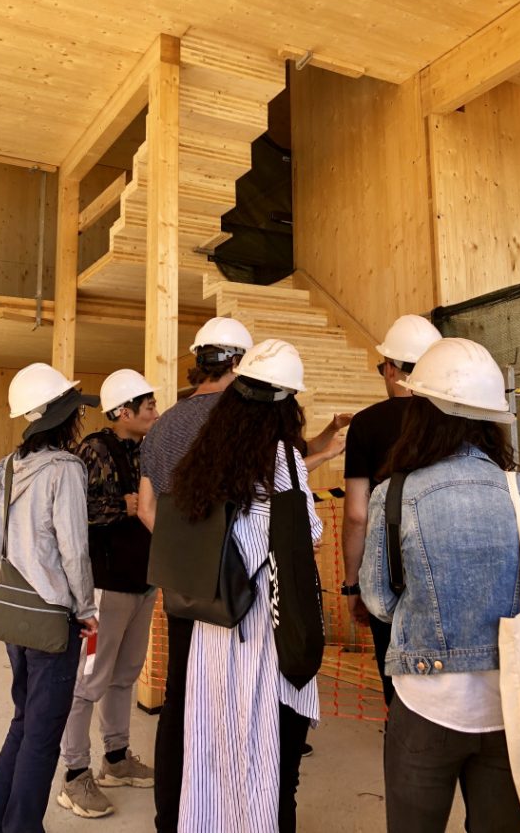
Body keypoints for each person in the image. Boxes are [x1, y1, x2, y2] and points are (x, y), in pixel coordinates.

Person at [359, 338, 520, 833]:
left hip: (425, 702)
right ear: (490, 419)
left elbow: (379, 600)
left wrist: (429, 616)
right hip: (511, 707)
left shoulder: (394, 495)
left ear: (421, 413)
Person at [171, 338, 322, 832]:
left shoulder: (206, 452)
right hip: (263, 629)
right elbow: (305, 535)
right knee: (273, 769)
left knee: (214, 755)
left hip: (213, 625)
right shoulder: (282, 457)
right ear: (287, 402)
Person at [138, 316, 255, 833]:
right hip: (236, 588)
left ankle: (172, 817)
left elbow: (147, 509)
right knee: (236, 703)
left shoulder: (163, 425)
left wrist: (186, 553)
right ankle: (228, 814)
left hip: (181, 584)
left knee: (180, 698)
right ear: (239, 363)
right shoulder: (245, 420)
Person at [0, 363, 100, 833]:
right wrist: (86, 608)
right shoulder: (65, 469)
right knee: (43, 734)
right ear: (60, 415)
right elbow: (74, 549)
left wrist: (1, 589)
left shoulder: (6, 466)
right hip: (52, 616)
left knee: (23, 721)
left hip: (13, 610)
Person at [58, 369, 160, 819]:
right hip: (106, 587)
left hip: (142, 581)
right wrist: (123, 505)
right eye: (148, 405)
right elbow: (72, 508)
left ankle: (116, 760)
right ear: (123, 412)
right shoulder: (95, 449)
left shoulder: (148, 450)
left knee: (125, 674)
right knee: (89, 681)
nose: (155, 412)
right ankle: (74, 773)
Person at [342, 314, 441, 707]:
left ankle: (401, 729)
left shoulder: (366, 425)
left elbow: (356, 515)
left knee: (397, 684)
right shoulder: (453, 420)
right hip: (445, 562)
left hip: (390, 572)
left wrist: (353, 585)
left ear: (390, 368)